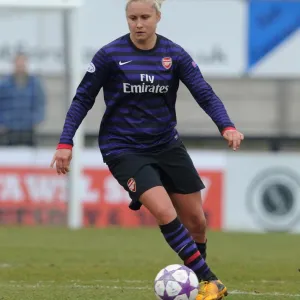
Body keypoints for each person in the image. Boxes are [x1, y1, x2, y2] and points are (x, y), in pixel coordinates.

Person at [51, 0, 244, 299]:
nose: (138, 24)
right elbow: (82, 99)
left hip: (166, 144)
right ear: (126, 19)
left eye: (144, 17)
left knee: (197, 221)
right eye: (132, 18)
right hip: (123, 148)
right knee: (165, 211)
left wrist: (226, 126)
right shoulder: (110, 55)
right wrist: (65, 142)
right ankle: (211, 280)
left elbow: (203, 92)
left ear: (158, 17)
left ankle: (196, 284)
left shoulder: (174, 55)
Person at [0, 52, 46, 146]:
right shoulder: (4, 85)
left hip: (29, 130)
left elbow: (40, 104)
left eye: (22, 63)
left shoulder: (35, 84)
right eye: (18, 64)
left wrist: (36, 120)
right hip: (8, 130)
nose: (20, 66)